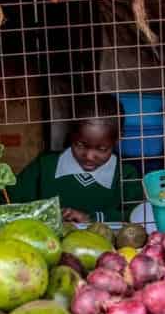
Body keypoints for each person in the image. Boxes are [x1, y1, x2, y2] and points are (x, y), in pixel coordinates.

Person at [9, 94, 143, 223]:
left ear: (118, 138)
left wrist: (91, 218)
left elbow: (137, 213)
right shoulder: (44, 166)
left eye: (102, 149)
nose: (89, 157)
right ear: (71, 134)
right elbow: (8, 200)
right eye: (80, 145)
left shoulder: (126, 174)